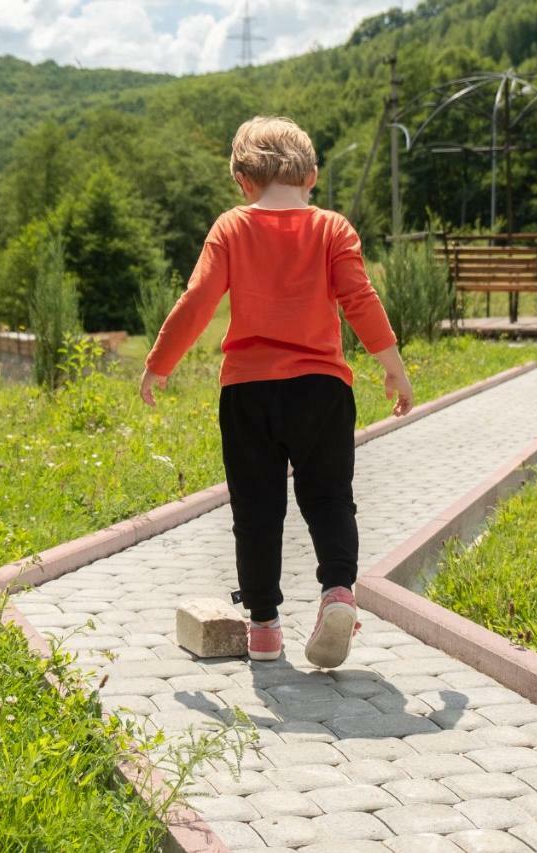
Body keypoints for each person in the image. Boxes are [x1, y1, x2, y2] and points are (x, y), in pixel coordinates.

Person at [139, 115, 414, 668]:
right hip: (322, 390)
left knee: (257, 509)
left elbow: (198, 300)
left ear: (242, 180)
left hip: (248, 393)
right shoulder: (333, 228)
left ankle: (264, 628)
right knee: (330, 498)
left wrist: (160, 362)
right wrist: (393, 367)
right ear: (311, 175)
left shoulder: (232, 227)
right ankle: (338, 592)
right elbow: (360, 299)